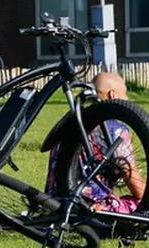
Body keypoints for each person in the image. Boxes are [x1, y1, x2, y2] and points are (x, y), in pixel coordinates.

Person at [45, 73, 143, 214]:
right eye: (125, 94)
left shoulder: (68, 124)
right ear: (113, 95)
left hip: (55, 205)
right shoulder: (116, 130)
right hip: (91, 208)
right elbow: (138, 189)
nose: (127, 99)